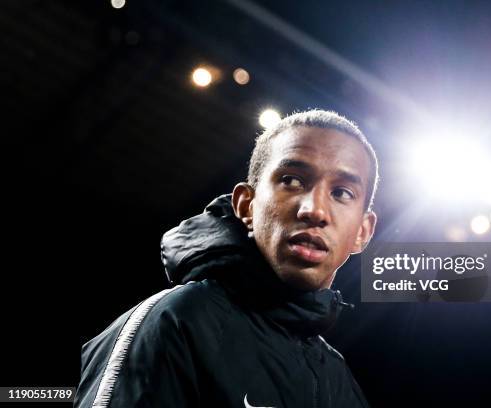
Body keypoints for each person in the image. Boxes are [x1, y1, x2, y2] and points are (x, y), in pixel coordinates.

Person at [75, 109, 379, 407]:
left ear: (362, 232)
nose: (314, 210)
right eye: (292, 180)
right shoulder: (175, 322)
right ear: (246, 206)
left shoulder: (340, 382)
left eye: (341, 192)